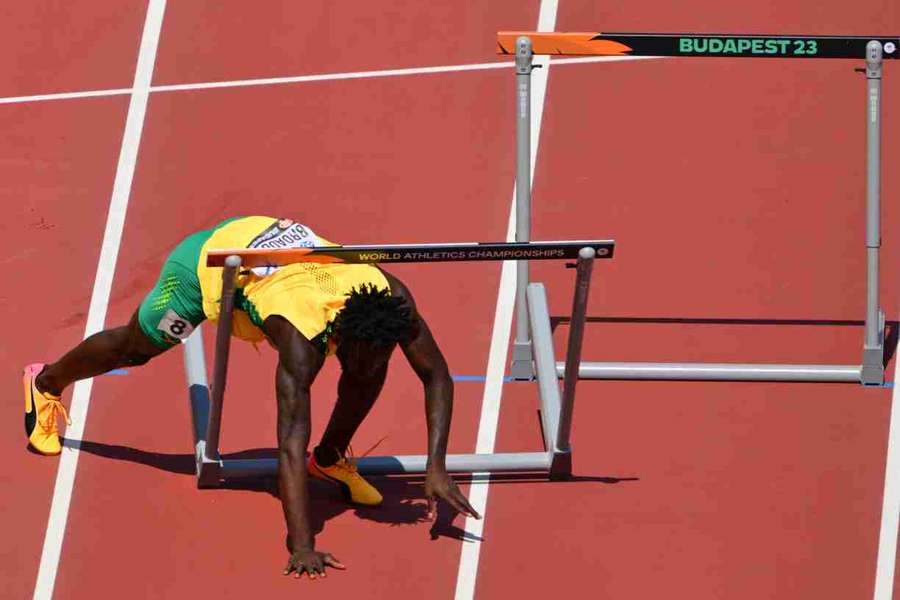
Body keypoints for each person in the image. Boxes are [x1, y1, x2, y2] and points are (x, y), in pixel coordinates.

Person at [23, 215, 480, 579]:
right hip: (207, 267)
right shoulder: (301, 339)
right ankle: (45, 383)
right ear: (341, 332)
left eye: (384, 350)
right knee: (137, 347)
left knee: (365, 376)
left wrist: (436, 465)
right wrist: (302, 545)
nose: (377, 359)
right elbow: (288, 442)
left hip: (281, 258)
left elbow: (436, 376)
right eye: (366, 351)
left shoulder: (390, 298)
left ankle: (332, 456)